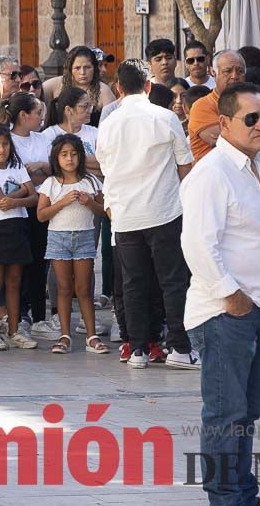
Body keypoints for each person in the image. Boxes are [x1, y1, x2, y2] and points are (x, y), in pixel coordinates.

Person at [181, 82, 260, 506]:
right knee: (226, 415)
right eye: (252, 118)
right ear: (224, 124)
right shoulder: (212, 173)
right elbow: (197, 245)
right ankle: (227, 498)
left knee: (246, 411)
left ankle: (243, 493)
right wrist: (233, 297)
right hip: (225, 314)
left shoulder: (257, 166)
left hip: (256, 311)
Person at [96, 59, 196, 370]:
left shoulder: (108, 123)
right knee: (173, 281)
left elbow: (104, 166)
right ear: (149, 85)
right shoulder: (166, 117)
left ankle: (137, 349)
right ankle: (179, 347)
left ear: (118, 88)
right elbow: (185, 167)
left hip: (125, 215)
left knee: (133, 283)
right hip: (165, 211)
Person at [37, 134, 107, 355]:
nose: (69, 159)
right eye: (64, 155)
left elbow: (104, 211)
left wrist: (90, 202)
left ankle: (91, 336)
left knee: (84, 289)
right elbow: (41, 215)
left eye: (74, 154)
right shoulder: (50, 183)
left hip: (84, 236)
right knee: (64, 288)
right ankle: (65, 335)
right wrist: (62, 202)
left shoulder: (91, 181)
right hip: (58, 238)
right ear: (56, 158)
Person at [0, 124, 40, 351]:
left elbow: (34, 196)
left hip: (18, 226)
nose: (1, 149)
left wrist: (19, 198)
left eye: (5, 144)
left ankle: (14, 331)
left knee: (15, 281)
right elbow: (1, 202)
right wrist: (21, 193)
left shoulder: (17, 166)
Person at [2, 92, 50, 337]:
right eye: (37, 113)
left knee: (40, 262)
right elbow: (12, 177)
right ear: (23, 115)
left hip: (41, 204)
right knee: (19, 263)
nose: (42, 117)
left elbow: (52, 170)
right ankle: (19, 313)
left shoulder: (42, 139)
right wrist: (32, 178)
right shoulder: (7, 140)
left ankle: (40, 315)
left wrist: (40, 168)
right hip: (17, 208)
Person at [187, 50, 248, 161]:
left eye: (240, 71)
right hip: (214, 174)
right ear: (213, 73)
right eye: (227, 71)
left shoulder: (251, 103)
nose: (234, 76)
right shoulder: (202, 106)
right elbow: (225, 142)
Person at [42, 46, 114, 126]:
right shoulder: (55, 84)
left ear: (94, 68)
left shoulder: (104, 91)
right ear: (70, 69)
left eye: (87, 67)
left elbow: (111, 124)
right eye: (77, 68)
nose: (82, 72)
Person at [39, 87, 101, 175]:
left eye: (90, 106)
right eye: (84, 106)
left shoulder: (94, 132)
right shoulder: (48, 135)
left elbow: (105, 162)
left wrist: (71, 163)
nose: (90, 111)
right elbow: (54, 168)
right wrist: (90, 165)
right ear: (68, 110)